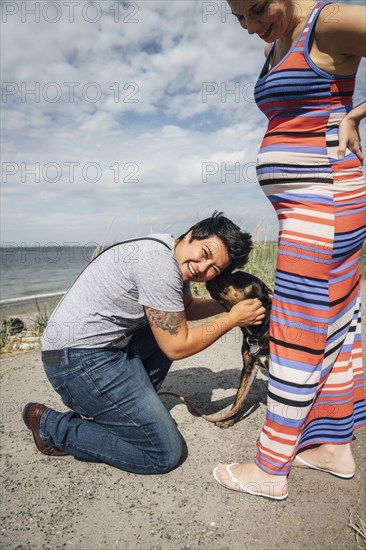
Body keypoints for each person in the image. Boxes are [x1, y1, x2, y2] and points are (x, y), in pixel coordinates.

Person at [213, 1, 366, 500]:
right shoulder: (274, 40)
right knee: (336, 323)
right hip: (309, 208)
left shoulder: (329, 22)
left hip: (326, 202)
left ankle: (270, 468)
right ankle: (334, 448)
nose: (251, 26)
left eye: (257, 10)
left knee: (297, 331)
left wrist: (357, 115)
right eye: (238, 18)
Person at [23, 212, 266, 474]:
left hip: (97, 350)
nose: (202, 268)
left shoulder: (168, 252)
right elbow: (177, 346)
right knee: (163, 453)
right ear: (193, 234)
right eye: (205, 253)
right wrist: (232, 319)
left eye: (214, 269)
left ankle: (126, 412)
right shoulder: (158, 264)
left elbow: (186, 309)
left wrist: (229, 305)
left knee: (169, 325)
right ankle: (50, 427)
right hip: (73, 361)